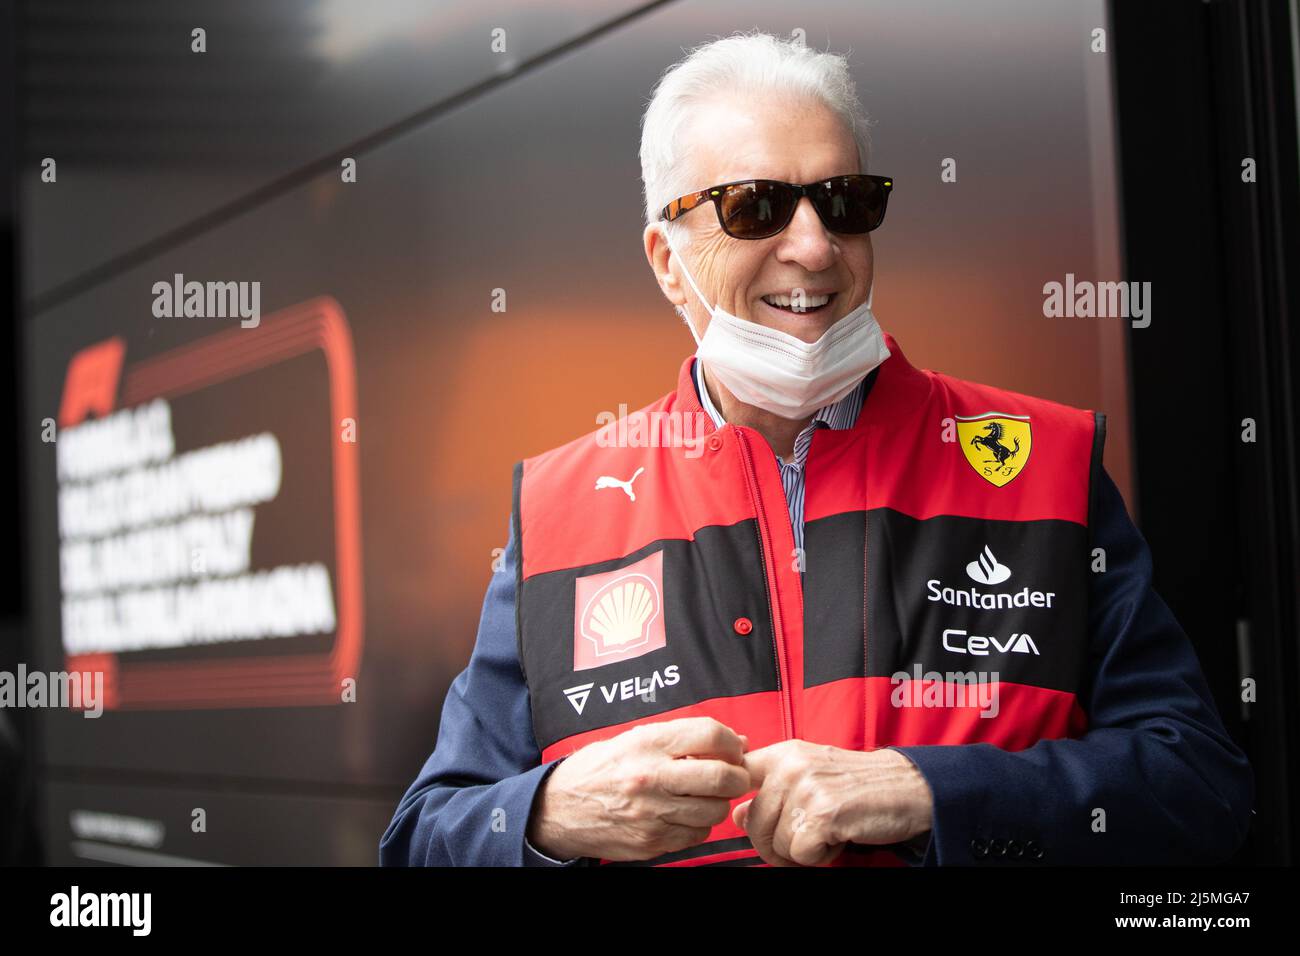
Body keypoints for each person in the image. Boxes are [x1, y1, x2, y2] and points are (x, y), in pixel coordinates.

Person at [380, 30, 1252, 867]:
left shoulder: (1041, 464)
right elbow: (425, 835)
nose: (813, 246)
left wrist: (931, 792)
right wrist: (553, 814)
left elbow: (1203, 792)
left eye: (845, 202)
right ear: (667, 261)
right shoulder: (559, 509)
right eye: (754, 207)